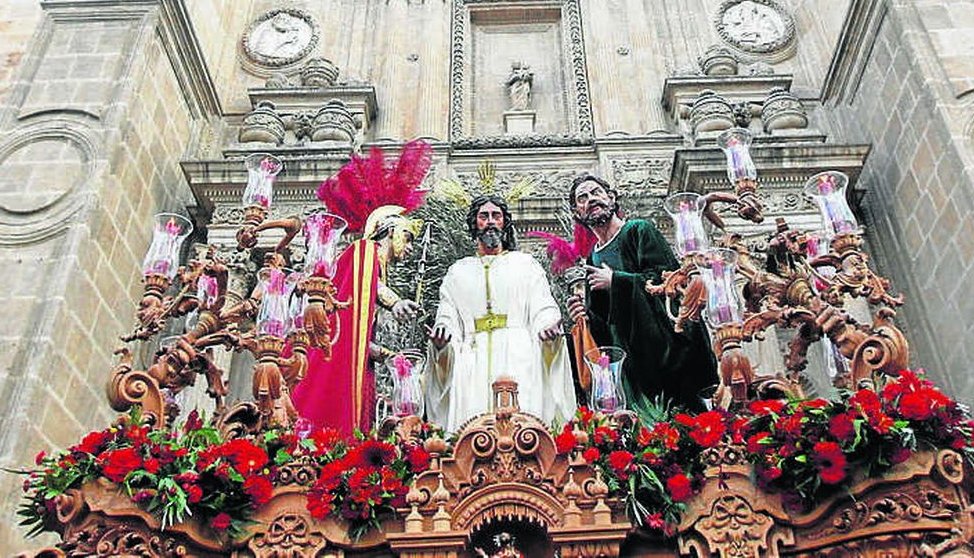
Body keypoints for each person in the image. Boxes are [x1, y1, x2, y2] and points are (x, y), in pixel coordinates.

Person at [292, 141, 430, 432]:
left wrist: (390, 358)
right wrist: (396, 302)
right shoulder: (363, 252)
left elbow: (354, 333)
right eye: (407, 236)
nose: (409, 247)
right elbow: (352, 313)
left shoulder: (373, 271)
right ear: (390, 230)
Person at [565, 174, 716, 412]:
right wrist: (585, 314)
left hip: (664, 350)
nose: (591, 199)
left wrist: (616, 281)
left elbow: (667, 281)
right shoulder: (593, 257)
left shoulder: (638, 230)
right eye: (582, 198)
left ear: (611, 198)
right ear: (577, 213)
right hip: (631, 362)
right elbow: (606, 323)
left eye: (596, 192)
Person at [427, 195, 575, 430]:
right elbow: (447, 314)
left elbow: (543, 306)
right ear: (474, 224)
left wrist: (548, 324)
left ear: (505, 223)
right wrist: (442, 339)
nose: (490, 222)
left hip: (518, 355)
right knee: (472, 430)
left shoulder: (525, 264)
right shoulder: (458, 271)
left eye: (496, 216)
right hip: (472, 360)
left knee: (522, 427)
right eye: (483, 216)